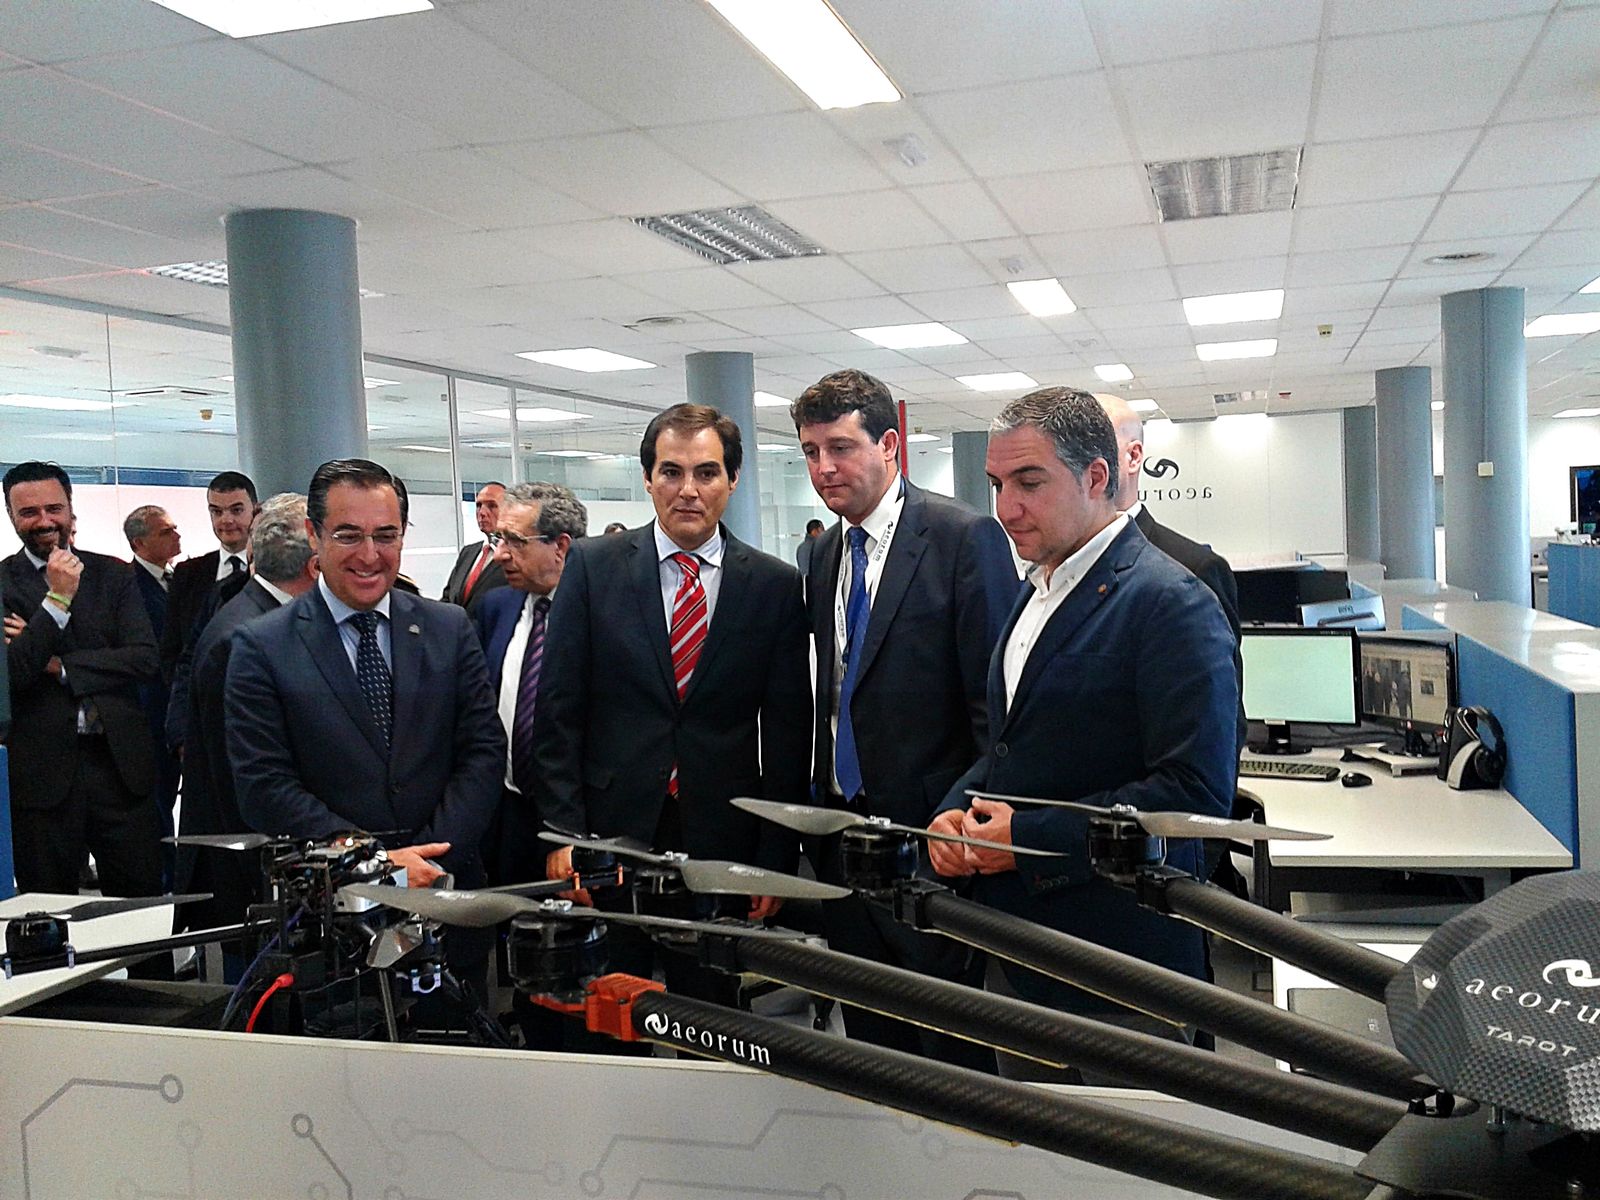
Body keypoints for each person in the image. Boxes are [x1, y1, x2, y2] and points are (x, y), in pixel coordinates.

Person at [927, 389, 1237, 1074]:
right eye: (998, 485)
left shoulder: (1172, 604)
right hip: (1020, 953)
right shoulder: (1036, 592)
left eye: (1030, 482)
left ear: (1098, 476)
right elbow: (1011, 748)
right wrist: (954, 811)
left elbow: (1192, 803)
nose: (1006, 508)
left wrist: (1026, 843)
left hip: (1120, 971)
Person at [531, 403, 810, 1008]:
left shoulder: (774, 585)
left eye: (707, 473)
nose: (688, 490)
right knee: (610, 1009)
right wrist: (564, 836)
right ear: (648, 477)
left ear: (733, 481)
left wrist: (775, 856)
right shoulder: (592, 567)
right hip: (609, 838)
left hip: (723, 841)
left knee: (714, 1017)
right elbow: (556, 713)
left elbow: (790, 734)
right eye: (671, 472)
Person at [791, 369, 1018, 1068]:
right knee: (870, 1047)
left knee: (950, 1050)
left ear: (890, 444)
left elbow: (995, 715)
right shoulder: (822, 553)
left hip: (931, 845)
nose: (824, 468)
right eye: (809, 451)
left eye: (840, 447)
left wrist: (962, 826)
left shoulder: (962, 537)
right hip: (842, 842)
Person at [224, 459, 505, 988]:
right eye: (348, 535)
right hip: (331, 922)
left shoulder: (449, 628)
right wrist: (379, 864)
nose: (370, 556)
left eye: (386, 535)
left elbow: (483, 753)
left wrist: (429, 861)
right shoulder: (261, 647)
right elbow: (263, 785)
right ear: (313, 533)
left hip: (449, 902)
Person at [1, 462, 163, 903]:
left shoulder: (113, 575)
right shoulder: (2, 583)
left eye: (54, 508)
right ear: (11, 516)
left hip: (119, 768)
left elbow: (144, 659)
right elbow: (12, 674)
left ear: (72, 511)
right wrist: (57, 600)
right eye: (29, 512)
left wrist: (56, 664)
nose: (44, 521)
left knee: (141, 909)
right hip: (42, 778)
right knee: (48, 916)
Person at [175, 493, 318, 950]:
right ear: (313, 565)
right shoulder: (243, 638)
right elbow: (236, 778)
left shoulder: (259, 616)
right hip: (247, 874)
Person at [1098, 394, 1245, 749]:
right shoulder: (1048, 572)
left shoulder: (1193, 569)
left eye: (1094, 445)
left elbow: (1222, 723)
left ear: (1133, 457)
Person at [472, 481, 588, 885]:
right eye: (498, 538)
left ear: (561, 546)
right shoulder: (495, 608)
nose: (501, 553)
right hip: (504, 813)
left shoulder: (604, 615)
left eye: (516, 541)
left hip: (579, 823)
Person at [123, 504, 184, 882]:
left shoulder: (175, 580)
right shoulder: (130, 587)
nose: (176, 536)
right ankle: (165, 874)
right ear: (139, 543)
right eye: (166, 531)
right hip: (150, 713)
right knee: (158, 798)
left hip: (174, 712)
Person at [161, 470, 258, 681]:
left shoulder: (270, 569)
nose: (226, 520)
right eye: (217, 511)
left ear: (255, 511)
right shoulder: (187, 574)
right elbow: (172, 649)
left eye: (236, 510)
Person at [440, 482, 508, 612]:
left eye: (492, 506)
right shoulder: (468, 552)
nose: (482, 512)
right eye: (478, 505)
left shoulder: (514, 556)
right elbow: (448, 597)